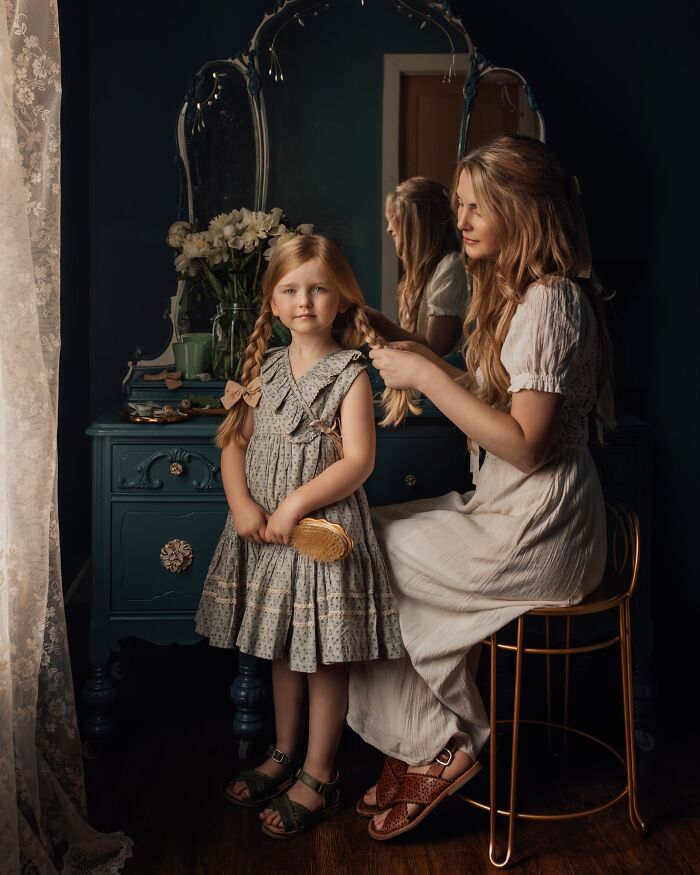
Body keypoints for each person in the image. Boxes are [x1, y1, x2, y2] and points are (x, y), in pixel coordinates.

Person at [347, 135, 615, 841]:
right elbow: (502, 409)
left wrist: (432, 379)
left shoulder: (553, 301)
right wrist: (407, 349)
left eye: (474, 206)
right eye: (458, 206)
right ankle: (420, 738)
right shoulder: (523, 296)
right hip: (511, 512)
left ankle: (448, 740)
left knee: (370, 549)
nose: (459, 219)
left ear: (520, 210)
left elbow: (525, 445)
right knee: (363, 538)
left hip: (544, 529)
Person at [194, 234, 408, 839]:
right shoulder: (263, 368)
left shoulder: (351, 375)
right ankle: (284, 752)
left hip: (320, 535)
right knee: (284, 647)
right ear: (273, 301)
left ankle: (320, 771)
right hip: (266, 534)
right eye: (290, 289)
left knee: (323, 655)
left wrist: (293, 504)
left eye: (318, 288)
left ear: (341, 298)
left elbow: (358, 461)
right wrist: (242, 504)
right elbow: (233, 441)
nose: (304, 301)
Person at [366, 177, 470, 356]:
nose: (389, 229)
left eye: (395, 219)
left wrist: (377, 321)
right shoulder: (416, 275)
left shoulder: (450, 267)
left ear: (418, 224)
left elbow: (435, 350)